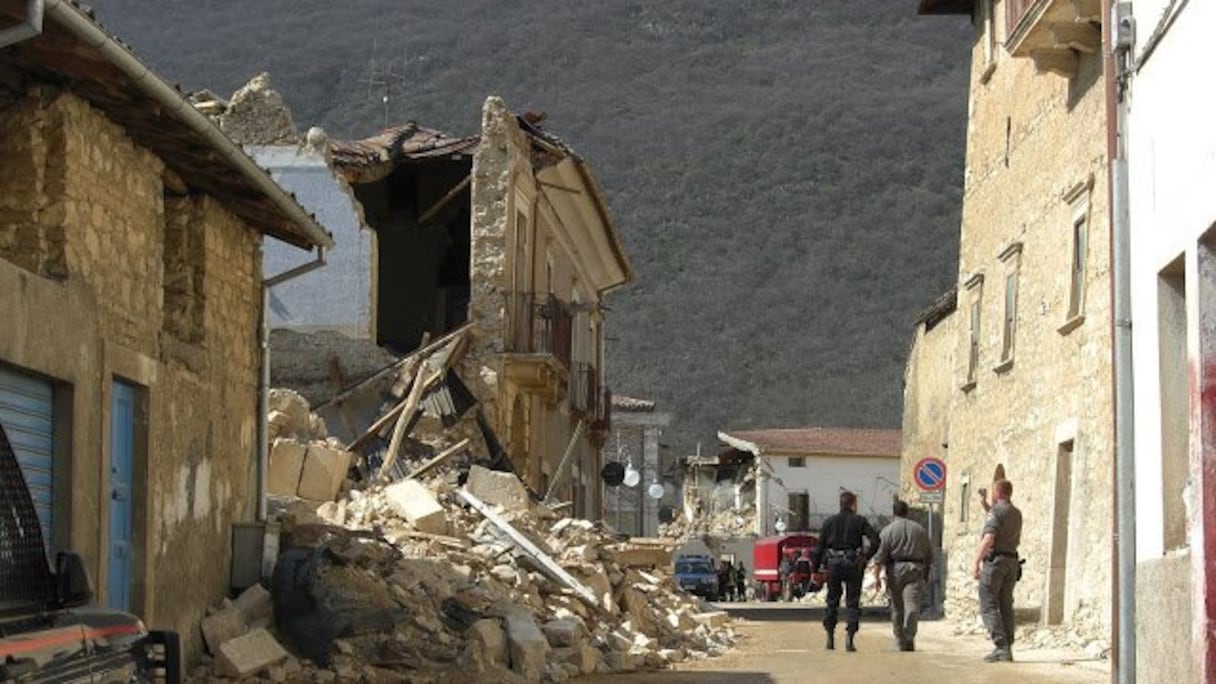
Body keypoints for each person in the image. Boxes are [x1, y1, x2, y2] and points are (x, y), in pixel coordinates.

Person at [811, 490, 879, 652]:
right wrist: (865, 556)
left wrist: (815, 569)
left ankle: (830, 637)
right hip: (854, 563)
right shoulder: (860, 521)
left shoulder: (829, 522)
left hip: (834, 564)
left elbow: (819, 548)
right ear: (853, 504)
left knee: (832, 600)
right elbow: (876, 540)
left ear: (840, 504)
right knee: (852, 601)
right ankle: (850, 638)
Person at [972, 479, 1023, 663]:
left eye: (994, 492)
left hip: (996, 563)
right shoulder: (1016, 513)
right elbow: (998, 519)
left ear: (998, 492)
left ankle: (1000, 646)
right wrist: (984, 504)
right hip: (1011, 562)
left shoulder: (996, 512)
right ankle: (1007, 645)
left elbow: (989, 538)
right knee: (1006, 605)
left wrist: (976, 562)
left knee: (988, 605)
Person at [872, 499, 933, 652]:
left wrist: (877, 577)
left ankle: (900, 639)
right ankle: (910, 634)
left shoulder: (887, 531)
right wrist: (926, 573)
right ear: (907, 512)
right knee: (912, 603)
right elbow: (929, 554)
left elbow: (880, 557)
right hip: (915, 569)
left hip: (895, 570)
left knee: (897, 607)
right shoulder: (919, 530)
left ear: (893, 513)